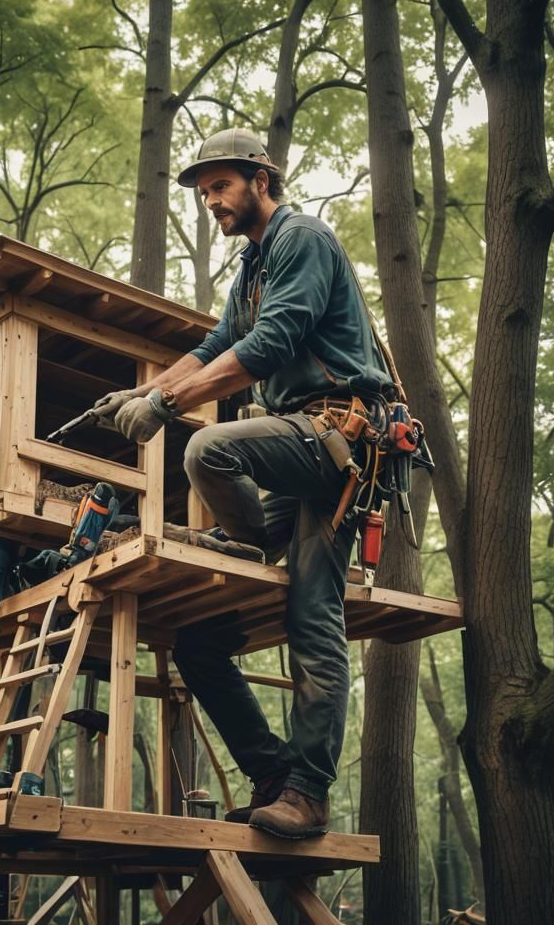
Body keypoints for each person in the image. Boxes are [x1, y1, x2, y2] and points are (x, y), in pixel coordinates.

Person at [95, 128, 394, 839]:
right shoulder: (251, 271)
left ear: (261, 179)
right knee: (198, 646)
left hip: (342, 440)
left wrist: (165, 407)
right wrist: (139, 391)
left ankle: (310, 792)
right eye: (202, 194)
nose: (211, 202)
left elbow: (270, 345)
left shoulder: (303, 239)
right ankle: (273, 775)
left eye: (220, 187)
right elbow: (214, 346)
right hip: (297, 443)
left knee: (210, 454)